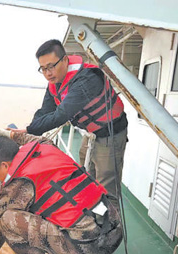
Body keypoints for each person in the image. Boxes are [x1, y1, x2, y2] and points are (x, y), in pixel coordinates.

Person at [11, 39, 128, 208]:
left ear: (65, 60)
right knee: (86, 178)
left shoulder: (86, 80)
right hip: (91, 134)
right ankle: (94, 217)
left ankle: (112, 230)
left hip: (110, 134)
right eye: (43, 69)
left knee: (106, 188)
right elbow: (45, 111)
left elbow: (61, 115)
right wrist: (28, 132)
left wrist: (29, 129)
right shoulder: (55, 83)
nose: (48, 73)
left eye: (51, 66)